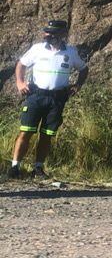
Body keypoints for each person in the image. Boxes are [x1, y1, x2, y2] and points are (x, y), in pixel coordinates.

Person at [6, 20, 89, 180]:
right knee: (26, 132)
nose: (47, 35)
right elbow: (21, 64)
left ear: (62, 34)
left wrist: (78, 85)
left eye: (52, 33)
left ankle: (38, 168)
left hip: (57, 99)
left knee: (47, 135)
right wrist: (20, 82)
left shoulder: (70, 52)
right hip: (36, 96)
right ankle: (15, 167)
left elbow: (83, 69)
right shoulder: (37, 49)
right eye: (47, 32)